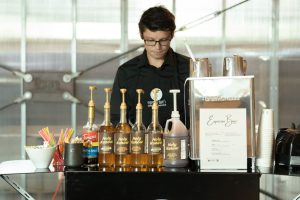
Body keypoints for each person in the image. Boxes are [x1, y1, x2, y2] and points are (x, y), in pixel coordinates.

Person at [110, 5, 189, 128]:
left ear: (172, 35)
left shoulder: (189, 68)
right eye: (151, 40)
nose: (157, 47)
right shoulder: (126, 72)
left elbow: (201, 112)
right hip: (139, 144)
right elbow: (116, 119)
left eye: (163, 40)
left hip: (181, 143)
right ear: (142, 36)